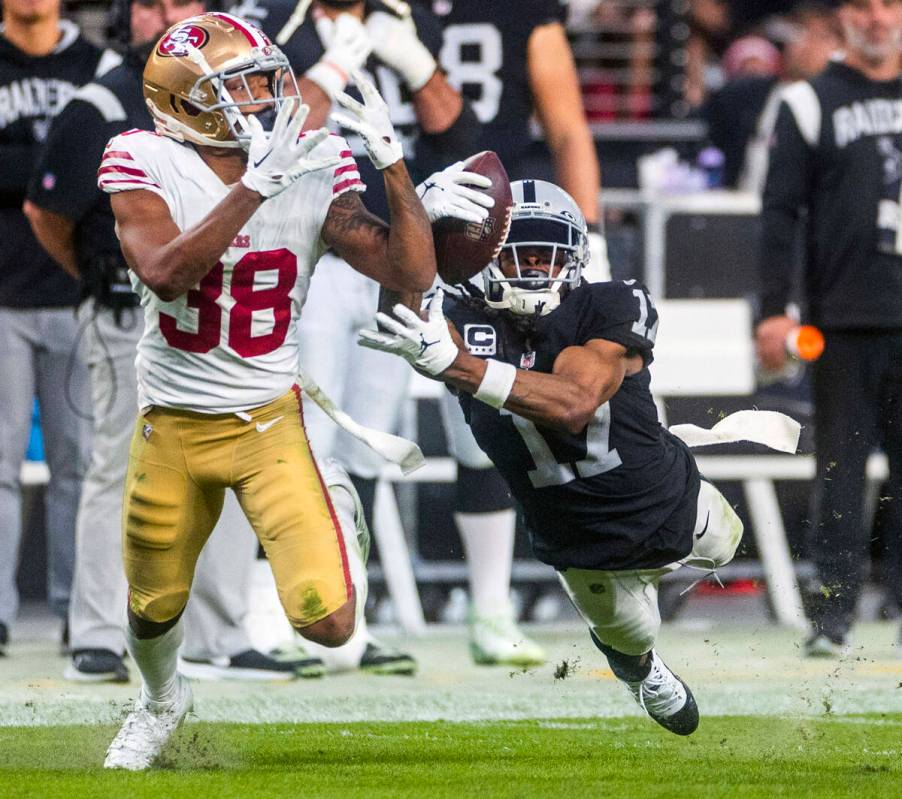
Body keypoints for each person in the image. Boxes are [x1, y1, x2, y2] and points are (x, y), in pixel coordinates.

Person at [98, 11, 434, 770]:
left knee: (332, 627)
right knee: (153, 607)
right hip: (171, 424)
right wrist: (253, 188)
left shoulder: (311, 161)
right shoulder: (139, 157)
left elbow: (411, 275)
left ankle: (334, 501)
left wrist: (392, 164)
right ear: (184, 102)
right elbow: (165, 271)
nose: (262, 99)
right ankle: (160, 704)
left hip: (267, 422)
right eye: (237, 86)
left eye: (264, 79)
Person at [359, 178, 756, 735]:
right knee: (633, 636)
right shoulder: (465, 317)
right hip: (581, 543)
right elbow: (399, 311)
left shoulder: (609, 304)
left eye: (550, 256)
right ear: (486, 258)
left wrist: (456, 366)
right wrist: (417, 218)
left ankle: (651, 606)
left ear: (575, 258)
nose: (536, 270)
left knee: (724, 544)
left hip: (669, 500)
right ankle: (636, 667)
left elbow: (574, 404)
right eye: (521, 256)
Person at [231, 0, 546, 669]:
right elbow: (274, 139)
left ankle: (348, 611)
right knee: (297, 432)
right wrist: (337, 60)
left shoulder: (403, 19)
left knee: (368, 439)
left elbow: (462, 143)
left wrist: (416, 63)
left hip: (391, 252)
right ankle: (270, 607)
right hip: (304, 244)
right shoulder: (272, 18)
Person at [24, 0, 323, 683]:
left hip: (227, 313)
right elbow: (48, 212)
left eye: (177, 1)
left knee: (241, 459)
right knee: (116, 468)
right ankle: (97, 630)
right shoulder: (105, 101)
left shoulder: (245, 88)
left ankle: (222, 631)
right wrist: (108, 276)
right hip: (143, 313)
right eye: (149, 4)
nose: (162, 15)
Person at [755, 0, 902, 658]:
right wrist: (770, 310)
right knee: (839, 471)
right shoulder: (808, 103)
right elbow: (778, 215)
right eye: (863, 5)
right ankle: (833, 614)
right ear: (841, 17)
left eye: (889, 4)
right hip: (843, 317)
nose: (877, 18)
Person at [0, 0, 114, 657]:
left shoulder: (93, 63)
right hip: (5, 292)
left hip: (77, 289)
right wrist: (51, 169)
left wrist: (31, 169)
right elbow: (69, 171)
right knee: (1, 467)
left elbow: (103, 169)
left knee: (83, 466)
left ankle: (83, 612)